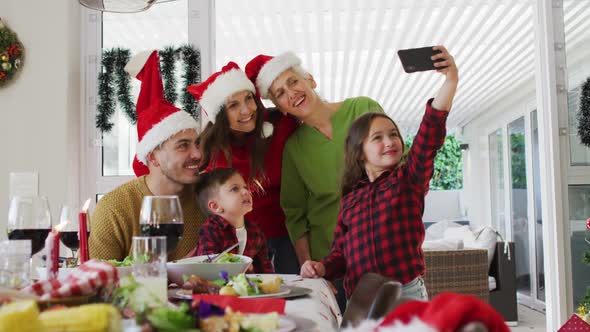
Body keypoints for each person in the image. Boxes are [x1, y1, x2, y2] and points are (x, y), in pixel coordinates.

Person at [299, 46, 459, 301]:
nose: (390, 141)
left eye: (393, 134)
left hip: (405, 295)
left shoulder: (408, 181)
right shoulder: (350, 199)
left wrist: (450, 80)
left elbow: (429, 133)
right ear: (360, 152)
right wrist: (322, 267)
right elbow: (341, 254)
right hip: (360, 302)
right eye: (378, 137)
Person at [245, 51, 385, 310]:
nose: (291, 93)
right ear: (281, 107)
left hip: (385, 252)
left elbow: (400, 167)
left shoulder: (363, 109)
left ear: (310, 80)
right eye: (280, 93)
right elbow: (295, 214)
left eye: (293, 82)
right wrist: (313, 273)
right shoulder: (295, 148)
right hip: (334, 264)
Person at [90, 50, 204, 261]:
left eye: (197, 144)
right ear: (153, 157)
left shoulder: (207, 200)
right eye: (183, 146)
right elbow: (97, 283)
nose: (197, 154)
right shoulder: (114, 209)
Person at [187, 62, 299, 274]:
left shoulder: (280, 127)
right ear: (219, 114)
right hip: (235, 242)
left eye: (249, 98)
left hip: (289, 236)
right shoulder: (208, 152)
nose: (247, 110)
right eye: (233, 105)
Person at [194, 167, 273, 273]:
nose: (246, 191)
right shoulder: (211, 230)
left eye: (245, 187)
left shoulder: (255, 230)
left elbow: (265, 268)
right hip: (216, 287)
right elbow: (207, 267)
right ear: (215, 206)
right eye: (235, 189)